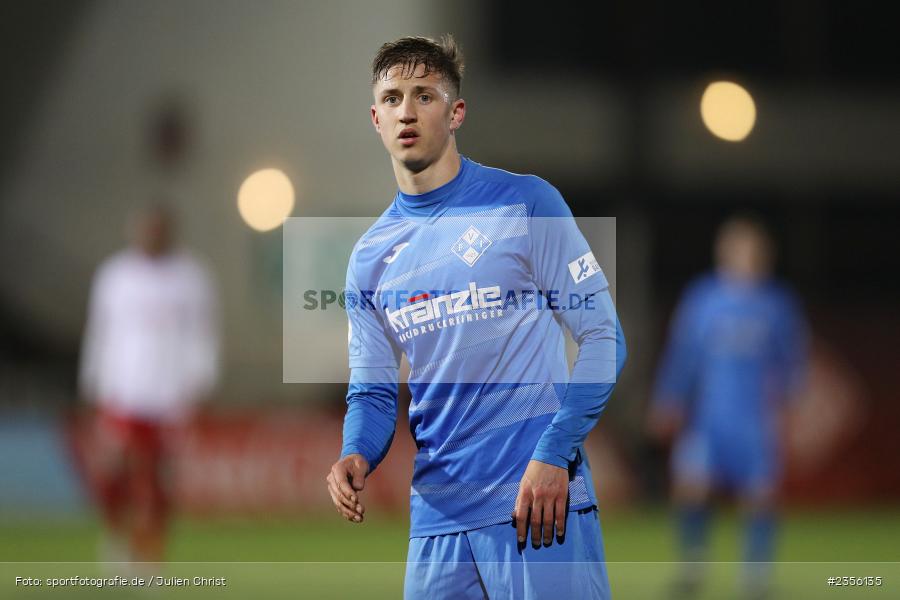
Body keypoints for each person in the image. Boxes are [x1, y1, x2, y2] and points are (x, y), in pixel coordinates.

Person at [324, 35, 626, 599]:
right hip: (438, 520)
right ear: (375, 118)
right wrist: (355, 453)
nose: (406, 111)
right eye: (391, 98)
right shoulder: (369, 257)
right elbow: (372, 391)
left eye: (424, 96)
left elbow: (604, 337)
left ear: (456, 111)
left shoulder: (527, 202)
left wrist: (553, 454)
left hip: (537, 503)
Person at [647, 215, 808, 599]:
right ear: (724, 251)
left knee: (761, 496)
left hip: (754, 420)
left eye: (752, 248)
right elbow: (683, 355)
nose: (745, 255)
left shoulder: (777, 304)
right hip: (708, 419)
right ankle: (693, 565)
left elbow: (792, 360)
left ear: (765, 255)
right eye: (738, 247)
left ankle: (755, 576)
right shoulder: (703, 299)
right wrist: (667, 398)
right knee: (690, 488)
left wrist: (792, 401)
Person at [79, 203, 218, 563]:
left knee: (157, 478)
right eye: (145, 228)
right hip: (123, 391)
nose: (151, 236)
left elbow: (203, 336)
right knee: (114, 473)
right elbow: (100, 332)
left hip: (169, 395)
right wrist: (93, 383)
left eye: (158, 229)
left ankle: (150, 553)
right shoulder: (115, 275)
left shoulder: (191, 277)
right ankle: (115, 540)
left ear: (169, 232)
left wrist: (200, 385)